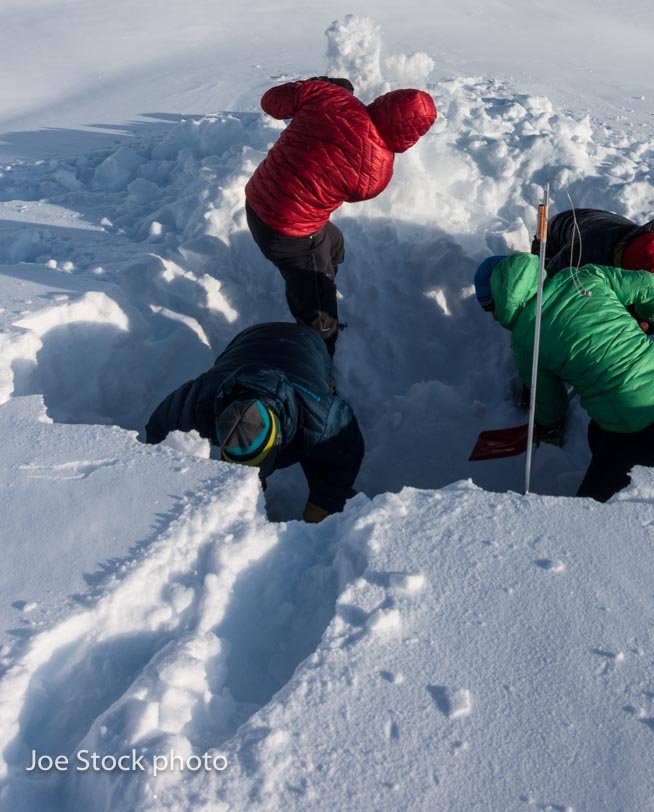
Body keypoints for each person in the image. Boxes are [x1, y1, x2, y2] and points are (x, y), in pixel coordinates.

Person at [473, 252, 654, 502]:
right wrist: (648, 318)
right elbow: (653, 286)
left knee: (591, 509)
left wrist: (548, 426)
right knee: (599, 436)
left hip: (635, 424)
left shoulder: (526, 341)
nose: (494, 317)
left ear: (500, 297)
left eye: (490, 307)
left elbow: (551, 405)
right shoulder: (583, 276)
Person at [245, 74, 436, 350]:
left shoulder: (330, 98)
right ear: (412, 136)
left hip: (257, 200)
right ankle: (321, 359)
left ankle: (315, 284)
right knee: (319, 318)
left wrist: (316, 87)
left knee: (334, 245)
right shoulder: (377, 173)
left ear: (385, 101)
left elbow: (271, 102)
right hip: (288, 232)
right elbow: (356, 188)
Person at [144, 321, 364, 522]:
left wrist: (320, 508)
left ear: (279, 439)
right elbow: (158, 427)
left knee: (322, 458)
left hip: (308, 344)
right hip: (248, 338)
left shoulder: (321, 418)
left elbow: (347, 452)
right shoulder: (203, 401)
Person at [537, 207, 654, 283]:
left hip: (594, 221)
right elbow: (550, 278)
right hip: (556, 232)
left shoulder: (653, 244)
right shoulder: (587, 252)